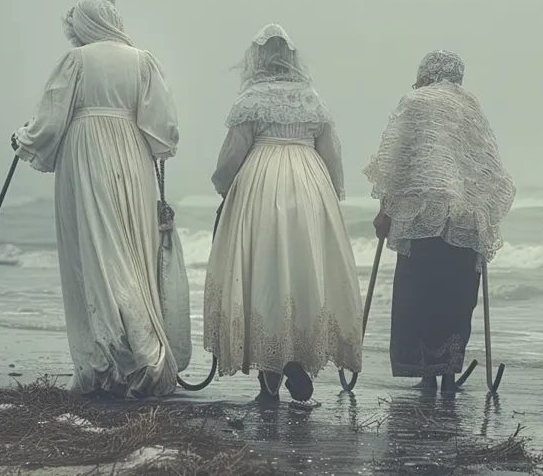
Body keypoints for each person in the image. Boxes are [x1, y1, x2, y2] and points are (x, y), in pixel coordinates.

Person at [11, 0, 181, 399]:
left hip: (86, 154)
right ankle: (138, 356)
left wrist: (24, 139)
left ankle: (110, 361)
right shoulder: (143, 60)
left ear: (84, 26)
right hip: (131, 155)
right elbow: (163, 129)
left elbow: (52, 116)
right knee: (128, 249)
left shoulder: (77, 61)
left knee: (93, 251)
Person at [203, 24, 362, 407]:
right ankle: (296, 358)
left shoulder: (250, 100)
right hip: (309, 184)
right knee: (304, 271)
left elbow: (232, 156)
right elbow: (332, 152)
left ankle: (269, 380)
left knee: (264, 273)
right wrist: (331, 194)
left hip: (261, 184)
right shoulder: (312, 99)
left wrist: (225, 188)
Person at [364, 50, 516, 395]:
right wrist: (484, 214)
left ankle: (426, 373)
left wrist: (386, 209)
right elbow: (487, 168)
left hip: (423, 214)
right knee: (456, 296)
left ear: (426, 75)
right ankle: (447, 372)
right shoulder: (471, 108)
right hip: (466, 218)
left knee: (419, 294)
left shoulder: (416, 102)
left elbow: (401, 160)